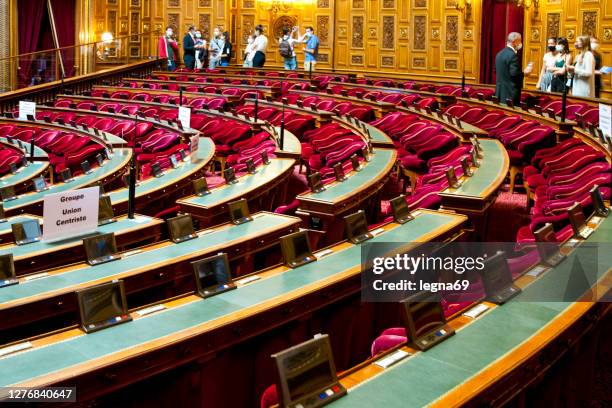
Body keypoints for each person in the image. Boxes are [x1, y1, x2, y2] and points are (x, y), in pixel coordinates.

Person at [494, 32, 533, 106]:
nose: (521, 43)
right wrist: (525, 73)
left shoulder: (499, 54)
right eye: (520, 41)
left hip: (499, 93)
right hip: (510, 95)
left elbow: (496, 70)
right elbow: (514, 74)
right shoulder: (513, 55)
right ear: (514, 42)